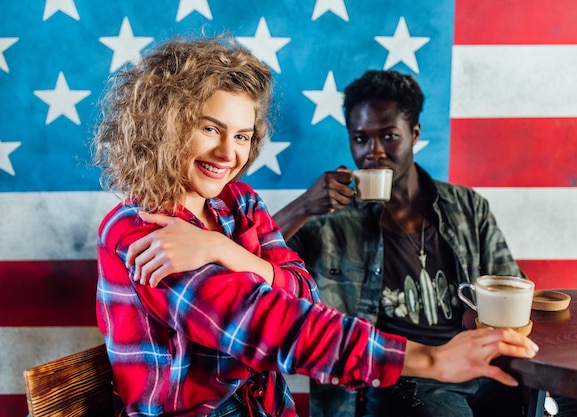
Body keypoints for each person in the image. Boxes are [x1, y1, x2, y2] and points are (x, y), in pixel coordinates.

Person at [92, 36, 538, 417]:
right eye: (210, 129)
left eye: (243, 135)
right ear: (167, 126)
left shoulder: (240, 203)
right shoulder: (141, 229)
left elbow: (304, 293)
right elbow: (271, 325)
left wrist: (225, 250)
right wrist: (430, 360)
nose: (229, 153)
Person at [272, 69, 529, 417]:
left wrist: (482, 319)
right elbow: (252, 261)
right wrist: (303, 206)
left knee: (561, 404)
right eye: (360, 138)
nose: (373, 152)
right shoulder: (327, 220)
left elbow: (511, 291)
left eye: (389, 136)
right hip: (399, 374)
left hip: (475, 363)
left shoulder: (468, 207)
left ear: (415, 134)